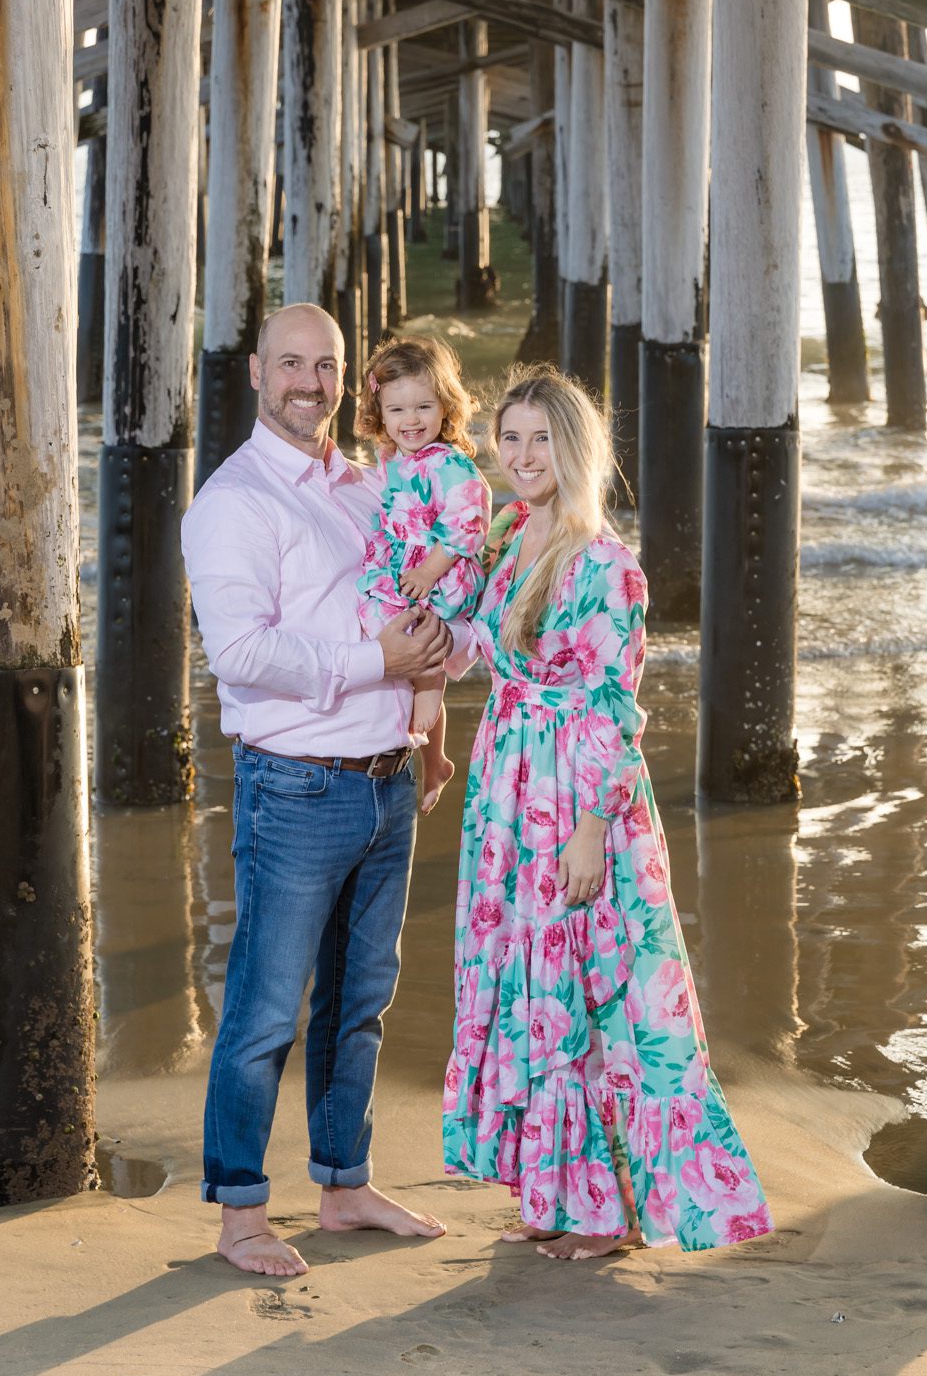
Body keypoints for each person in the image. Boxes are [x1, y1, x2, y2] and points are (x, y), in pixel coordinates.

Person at [442, 367, 772, 1259]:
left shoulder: (604, 564)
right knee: (526, 980)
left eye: (539, 439)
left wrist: (591, 827)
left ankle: (605, 1210)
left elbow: (613, 709)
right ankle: (552, 1194)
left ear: (573, 448)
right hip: (507, 792)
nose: (520, 457)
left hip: (575, 801)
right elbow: (475, 646)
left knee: (592, 987)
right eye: (507, 439)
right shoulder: (510, 540)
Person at [182, 302, 452, 1279]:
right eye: (291, 362)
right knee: (266, 1007)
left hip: (386, 785)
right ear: (257, 371)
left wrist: (432, 689)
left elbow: (419, 609)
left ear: (349, 378)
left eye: (327, 365)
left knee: (360, 1000)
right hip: (293, 789)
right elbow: (242, 655)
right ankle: (243, 1212)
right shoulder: (235, 500)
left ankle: (344, 1184)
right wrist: (374, 653)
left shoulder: (374, 486)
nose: (310, 381)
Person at [355, 336, 492, 812]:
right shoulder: (395, 455)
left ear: (445, 408)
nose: (410, 420)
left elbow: (469, 522)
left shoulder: (451, 464)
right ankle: (435, 761)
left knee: (420, 649)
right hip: (408, 567)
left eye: (423, 407)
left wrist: (431, 570)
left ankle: (429, 705)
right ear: (381, 413)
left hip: (441, 570)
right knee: (386, 631)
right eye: (396, 410)